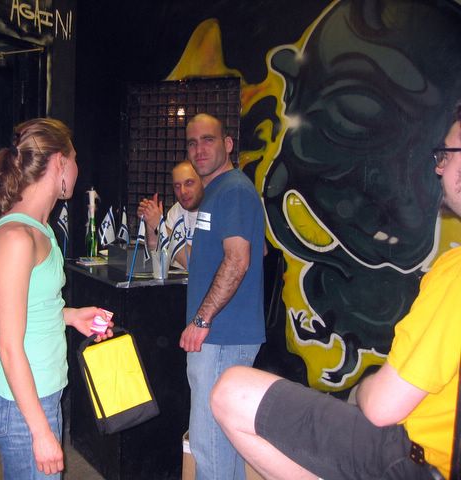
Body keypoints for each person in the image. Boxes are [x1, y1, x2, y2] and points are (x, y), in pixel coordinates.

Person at [210, 103, 461, 480]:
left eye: (448, 154)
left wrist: (362, 391)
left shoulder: (455, 272)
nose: (439, 168)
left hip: (414, 459)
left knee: (231, 391)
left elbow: (383, 408)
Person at [0, 118, 113, 479]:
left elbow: (30, 307)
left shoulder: (38, 229)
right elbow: (9, 346)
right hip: (23, 401)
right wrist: (40, 431)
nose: (78, 168)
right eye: (75, 158)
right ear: (59, 162)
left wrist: (72, 316)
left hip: (39, 392)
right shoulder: (17, 237)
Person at [180, 113, 266, 480]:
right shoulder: (217, 191)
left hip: (221, 337)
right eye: (192, 142)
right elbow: (254, 252)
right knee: (222, 445)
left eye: (208, 139)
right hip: (220, 335)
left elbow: (238, 259)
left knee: (209, 444)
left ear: (228, 144)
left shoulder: (233, 190)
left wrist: (202, 320)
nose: (199, 149)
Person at [137, 160, 204, 268]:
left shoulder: (215, 211)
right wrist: (150, 224)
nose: (183, 191)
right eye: (177, 186)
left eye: (189, 183)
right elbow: (157, 257)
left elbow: (199, 266)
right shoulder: (176, 210)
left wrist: (160, 225)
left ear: (203, 182)